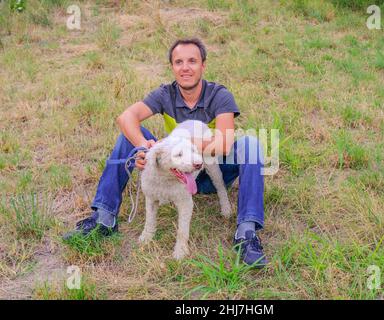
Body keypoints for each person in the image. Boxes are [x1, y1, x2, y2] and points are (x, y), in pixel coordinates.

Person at [63, 38, 267, 267]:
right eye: (179, 62)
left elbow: (224, 144)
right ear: (172, 67)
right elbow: (126, 117)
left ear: (203, 66)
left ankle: (246, 233)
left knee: (250, 144)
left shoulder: (219, 95)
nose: (185, 67)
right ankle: (104, 218)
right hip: (176, 174)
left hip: (211, 170)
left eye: (192, 61)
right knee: (129, 136)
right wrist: (145, 149)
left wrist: (179, 141)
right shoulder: (165, 94)